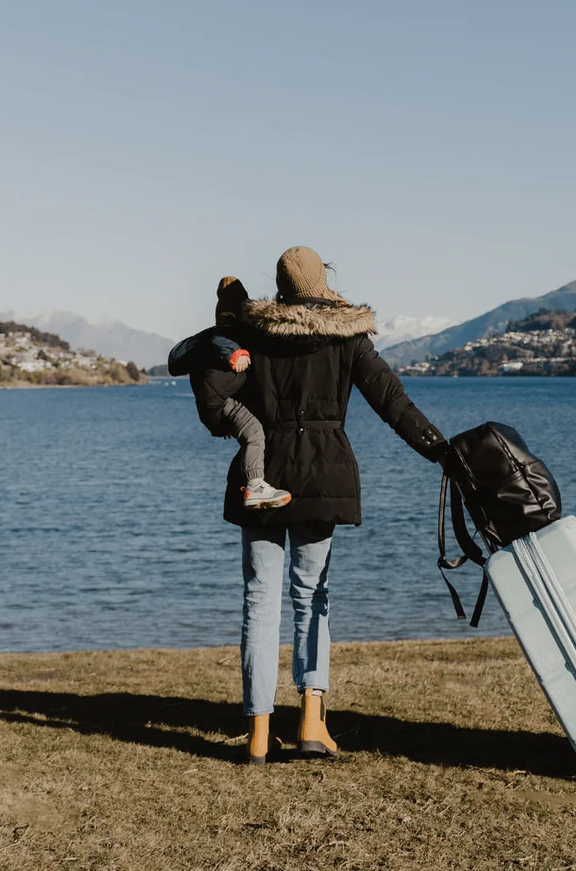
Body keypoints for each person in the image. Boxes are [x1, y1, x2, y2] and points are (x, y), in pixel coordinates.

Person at [212, 246, 447, 765]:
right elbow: (393, 400)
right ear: (323, 284)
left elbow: (216, 394)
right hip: (323, 473)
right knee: (311, 595)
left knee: (259, 600)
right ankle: (313, 723)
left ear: (280, 288)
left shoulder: (252, 333)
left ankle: (257, 732)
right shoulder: (348, 335)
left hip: (264, 474)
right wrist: (439, 450)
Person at [167, 277, 291, 509]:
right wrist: (236, 354)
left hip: (212, 405)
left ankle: (255, 482)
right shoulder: (224, 336)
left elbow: (175, 360)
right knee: (254, 433)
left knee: (248, 433)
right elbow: (222, 342)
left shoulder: (203, 338)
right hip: (223, 402)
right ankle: (255, 485)